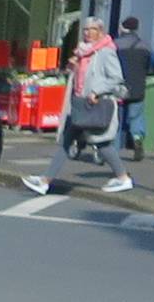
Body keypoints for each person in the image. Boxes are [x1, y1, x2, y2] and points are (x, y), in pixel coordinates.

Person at [28, 19, 133, 195]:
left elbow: (116, 78)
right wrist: (73, 67)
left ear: (100, 31)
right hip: (79, 106)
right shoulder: (83, 53)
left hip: (95, 105)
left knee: (102, 144)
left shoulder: (106, 52)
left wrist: (96, 91)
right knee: (66, 142)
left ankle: (123, 178)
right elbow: (81, 78)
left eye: (91, 30)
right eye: (85, 30)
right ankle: (45, 180)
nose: (87, 33)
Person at [115, 16, 151, 161]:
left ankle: (113, 150)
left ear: (123, 28)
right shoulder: (144, 46)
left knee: (116, 119)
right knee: (136, 117)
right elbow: (150, 65)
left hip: (118, 88)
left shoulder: (114, 45)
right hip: (138, 88)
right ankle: (137, 139)